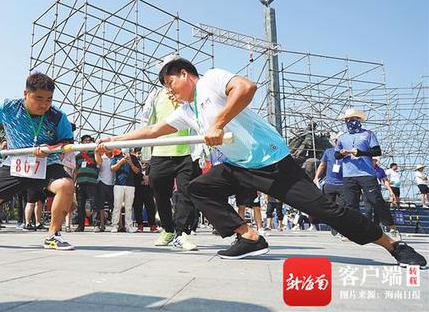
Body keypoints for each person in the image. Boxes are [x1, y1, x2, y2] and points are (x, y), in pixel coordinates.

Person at [98, 57, 426, 267]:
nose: (170, 92)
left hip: (272, 162)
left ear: (185, 74)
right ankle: (249, 237)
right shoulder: (187, 111)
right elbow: (154, 130)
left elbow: (246, 87)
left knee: (326, 210)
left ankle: (393, 246)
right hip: (239, 166)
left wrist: (219, 123)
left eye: (171, 84)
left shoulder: (212, 79)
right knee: (199, 188)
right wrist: (112, 141)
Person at [0, 72, 76, 250]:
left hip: (47, 164)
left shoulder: (57, 116)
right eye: (38, 98)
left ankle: (53, 235)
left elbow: (67, 142)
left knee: (66, 185)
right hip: (15, 165)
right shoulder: (8, 107)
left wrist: (49, 148)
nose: (44, 104)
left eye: (49, 99)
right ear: (26, 94)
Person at [141, 75, 199, 250]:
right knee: (160, 194)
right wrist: (146, 152)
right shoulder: (156, 95)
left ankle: (183, 233)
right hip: (161, 152)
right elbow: (147, 120)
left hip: (185, 152)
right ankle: (168, 229)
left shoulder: (189, 94)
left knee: (185, 193)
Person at [335, 108, 401, 239]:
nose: (350, 122)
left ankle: (392, 228)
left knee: (376, 201)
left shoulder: (368, 134)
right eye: (347, 120)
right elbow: (336, 155)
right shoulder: (342, 138)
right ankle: (352, 231)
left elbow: (377, 151)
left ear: (359, 120)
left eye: (353, 119)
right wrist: (341, 154)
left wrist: (361, 153)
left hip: (366, 174)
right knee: (351, 204)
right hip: (349, 175)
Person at [313, 132, 344, 235]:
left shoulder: (348, 153)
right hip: (330, 184)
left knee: (342, 207)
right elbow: (322, 165)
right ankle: (334, 225)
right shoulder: (328, 152)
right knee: (329, 207)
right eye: (337, 140)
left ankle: (340, 228)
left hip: (344, 184)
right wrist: (316, 177)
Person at [74, 134, 102, 232]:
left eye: (89, 140)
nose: (87, 142)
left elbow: (99, 163)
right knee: (80, 205)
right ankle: (80, 226)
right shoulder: (78, 156)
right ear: (81, 143)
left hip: (92, 182)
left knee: (94, 204)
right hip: (80, 183)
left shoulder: (93, 153)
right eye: (85, 140)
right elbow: (76, 170)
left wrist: (96, 152)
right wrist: (74, 182)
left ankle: (96, 225)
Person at [110, 148, 141, 233]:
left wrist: (130, 163)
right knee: (117, 206)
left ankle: (129, 226)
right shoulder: (116, 156)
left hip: (130, 185)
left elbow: (137, 171)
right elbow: (112, 168)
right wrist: (121, 162)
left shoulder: (133, 158)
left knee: (129, 207)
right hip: (118, 184)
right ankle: (114, 226)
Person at [97, 149, 114, 232]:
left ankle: (117, 225)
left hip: (113, 184)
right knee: (101, 206)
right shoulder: (101, 158)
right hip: (102, 183)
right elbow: (98, 164)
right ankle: (102, 224)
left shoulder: (116, 158)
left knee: (114, 206)